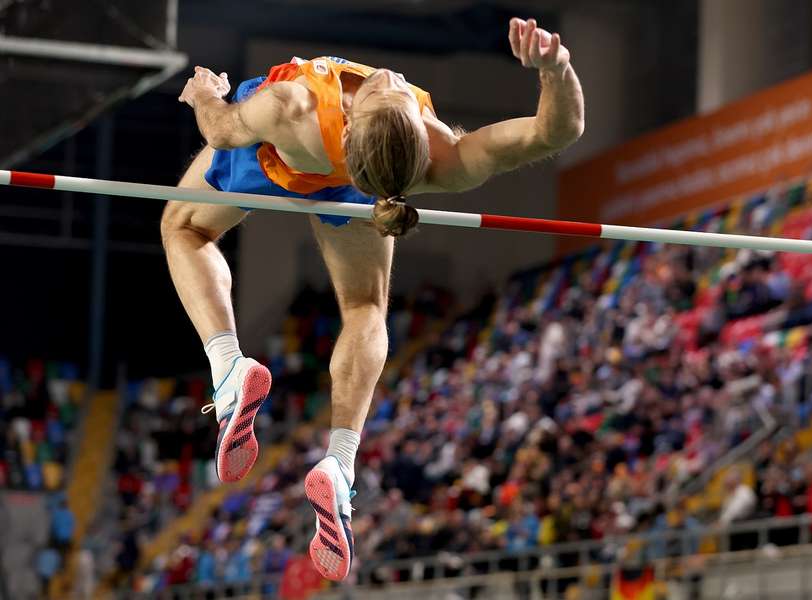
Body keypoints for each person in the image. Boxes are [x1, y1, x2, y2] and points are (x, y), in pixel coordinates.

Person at [163, 16, 583, 581]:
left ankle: (228, 366)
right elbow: (554, 132)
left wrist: (206, 94)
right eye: (396, 93)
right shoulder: (442, 159)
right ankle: (339, 462)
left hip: (284, 153)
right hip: (347, 185)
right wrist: (556, 71)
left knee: (183, 229)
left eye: (391, 94)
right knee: (364, 307)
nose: (391, 78)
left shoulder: (292, 105)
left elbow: (220, 131)